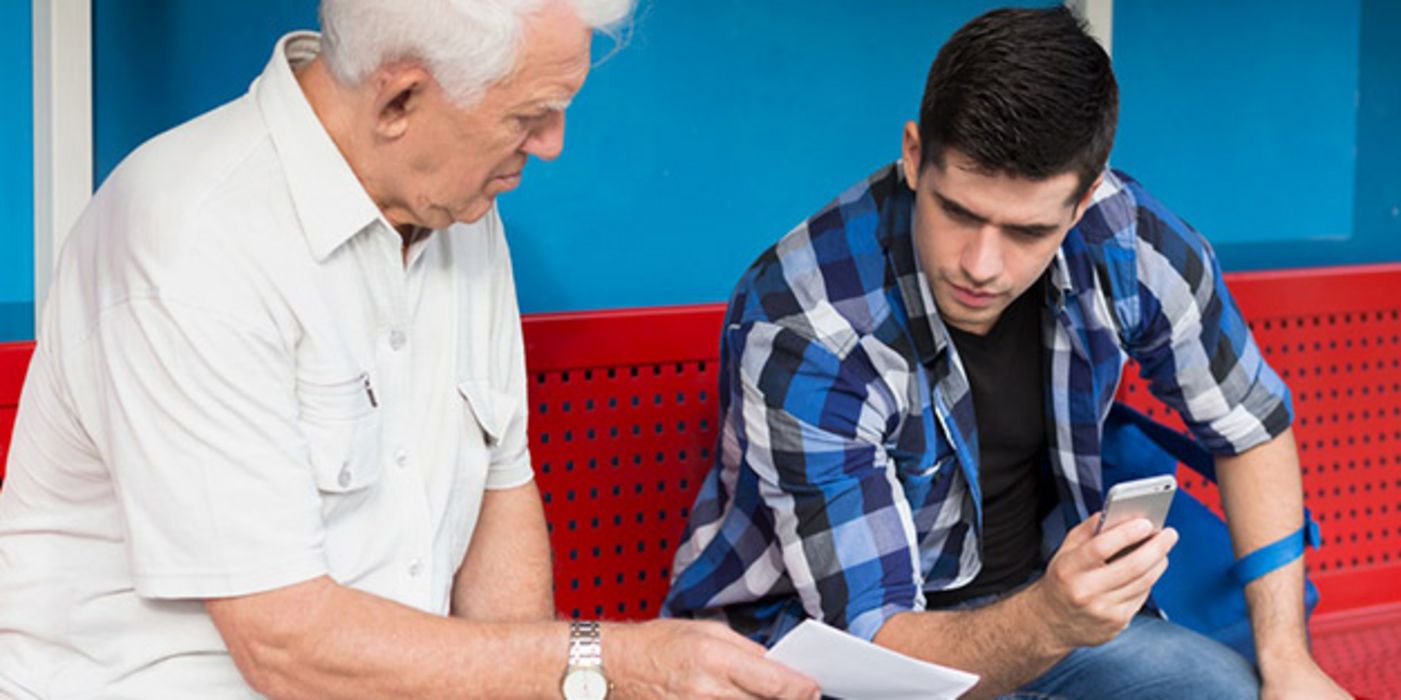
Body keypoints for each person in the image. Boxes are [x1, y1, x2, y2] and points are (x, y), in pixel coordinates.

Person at [0, 1, 819, 698]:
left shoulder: (460, 207)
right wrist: (601, 662)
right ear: (398, 100)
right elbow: (282, 643)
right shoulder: (189, 238)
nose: (551, 144)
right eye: (527, 115)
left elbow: (502, 487)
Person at [664, 6, 1350, 700]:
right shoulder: (807, 320)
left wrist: (1288, 662)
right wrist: (1050, 618)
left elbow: (1250, 426)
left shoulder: (1125, 239)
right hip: (821, 654)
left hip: (1041, 611)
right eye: (957, 212)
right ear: (912, 154)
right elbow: (874, 648)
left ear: (1082, 201)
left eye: (1025, 231)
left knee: (1225, 690)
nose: (981, 265)